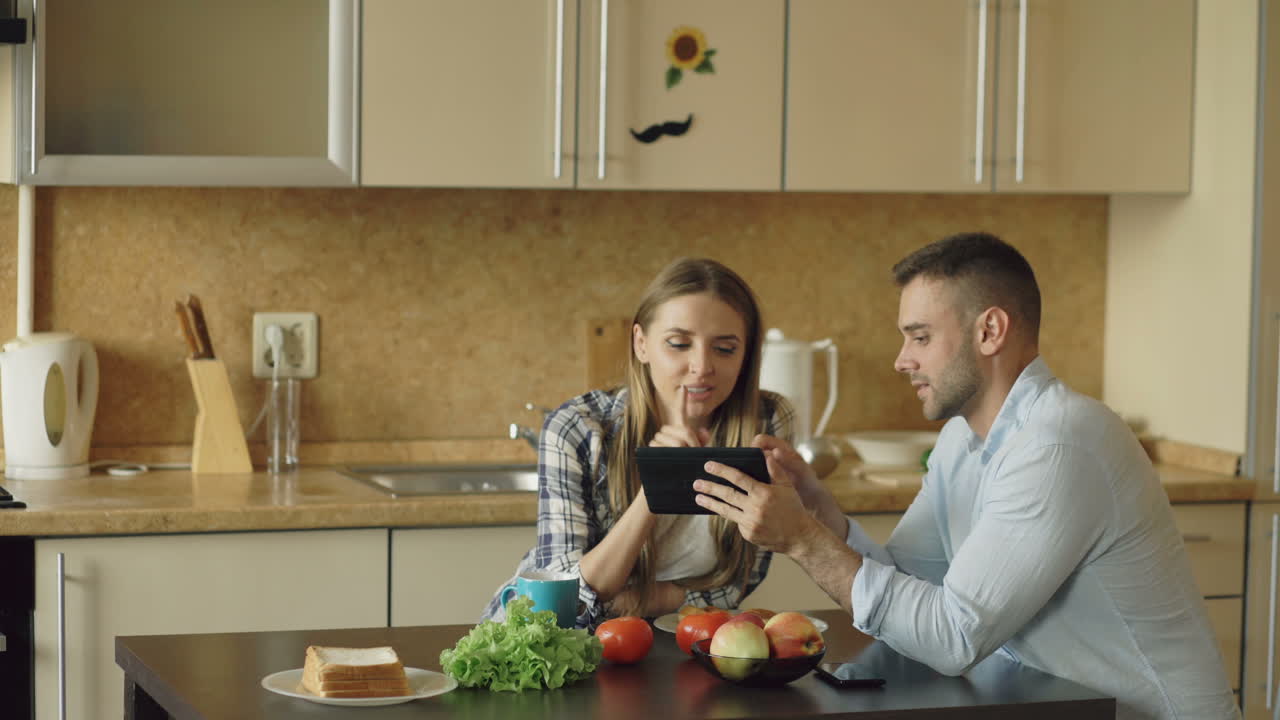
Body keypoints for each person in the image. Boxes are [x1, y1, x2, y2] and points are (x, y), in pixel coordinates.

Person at [692, 233, 1239, 720]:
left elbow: (951, 637)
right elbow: (912, 590)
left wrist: (804, 541)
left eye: (920, 337)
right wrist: (820, 512)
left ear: (990, 331)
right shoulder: (961, 439)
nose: (901, 360)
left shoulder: (1057, 444)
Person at [482, 257, 795, 627]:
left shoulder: (766, 421)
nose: (701, 366)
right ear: (641, 344)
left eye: (725, 349)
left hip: (671, 637)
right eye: (679, 344)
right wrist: (656, 489)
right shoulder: (576, 427)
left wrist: (648, 599)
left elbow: (743, 575)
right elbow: (567, 597)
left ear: (747, 354)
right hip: (550, 638)